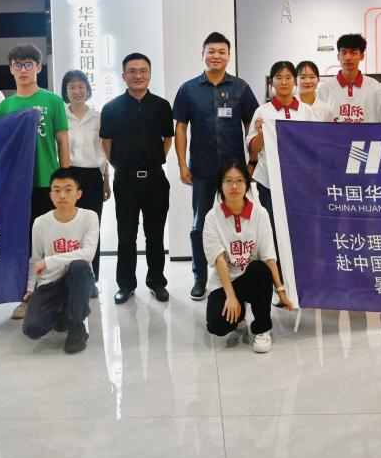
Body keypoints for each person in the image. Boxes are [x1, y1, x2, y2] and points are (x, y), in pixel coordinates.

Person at [173, 32, 259, 300]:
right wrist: (181, 164)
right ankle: (199, 277)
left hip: (234, 171)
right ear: (203, 54)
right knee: (199, 224)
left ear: (229, 56)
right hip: (201, 167)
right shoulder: (188, 89)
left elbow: (252, 124)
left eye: (222, 52)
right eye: (211, 51)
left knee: (238, 222)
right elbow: (180, 127)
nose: (216, 56)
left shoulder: (241, 88)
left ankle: (238, 273)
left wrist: (252, 161)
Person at [0, 44, 70, 320]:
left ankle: (53, 296)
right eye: (18, 64)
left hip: (47, 182)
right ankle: (26, 297)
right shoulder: (5, 106)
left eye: (28, 64)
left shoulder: (52, 101)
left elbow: (62, 139)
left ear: (39, 67)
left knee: (49, 241)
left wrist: (65, 178)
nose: (23, 69)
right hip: (18, 186)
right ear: (11, 69)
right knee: (24, 243)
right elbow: (1, 146)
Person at [100, 53, 174, 304]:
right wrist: (119, 165)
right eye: (132, 71)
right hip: (126, 180)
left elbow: (168, 139)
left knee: (155, 234)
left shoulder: (162, 106)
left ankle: (156, 282)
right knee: (126, 235)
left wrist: (154, 160)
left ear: (150, 74)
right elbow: (106, 143)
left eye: (143, 71)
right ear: (123, 76)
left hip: (155, 179)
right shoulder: (112, 108)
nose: (138, 75)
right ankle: (126, 284)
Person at [204, 160, 293, 353]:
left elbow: (269, 257)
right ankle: (240, 311)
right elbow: (219, 260)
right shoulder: (212, 218)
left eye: (239, 180)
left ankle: (262, 329)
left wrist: (281, 291)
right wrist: (230, 296)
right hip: (226, 282)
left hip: (252, 278)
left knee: (260, 269)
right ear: (220, 185)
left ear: (247, 184)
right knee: (217, 325)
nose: (234, 186)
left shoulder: (260, 214)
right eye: (228, 181)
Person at [22, 168, 99, 353]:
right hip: (50, 282)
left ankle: (77, 326)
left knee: (79, 266)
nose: (62, 195)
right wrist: (30, 288)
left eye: (68, 189)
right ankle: (63, 311)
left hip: (78, 277)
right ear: (51, 195)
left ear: (78, 194)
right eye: (56, 190)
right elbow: (36, 258)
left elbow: (88, 254)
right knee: (32, 328)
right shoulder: (40, 223)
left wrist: (49, 261)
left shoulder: (89, 217)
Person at [246, 61, 316, 241]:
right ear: (272, 82)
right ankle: (275, 260)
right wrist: (262, 133)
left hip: (299, 181)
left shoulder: (306, 111)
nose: (283, 82)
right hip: (269, 181)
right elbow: (253, 149)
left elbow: (314, 145)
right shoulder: (262, 112)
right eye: (278, 78)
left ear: (294, 81)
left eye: (288, 77)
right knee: (272, 229)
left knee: (300, 228)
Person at [61, 69, 110, 282]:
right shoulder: (60, 115)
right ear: (65, 91)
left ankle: (91, 278)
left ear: (88, 90)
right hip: (67, 176)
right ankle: (67, 277)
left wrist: (106, 180)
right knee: (68, 227)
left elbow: (103, 151)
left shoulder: (98, 117)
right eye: (71, 87)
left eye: (81, 86)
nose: (77, 91)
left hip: (92, 177)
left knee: (91, 228)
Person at [316, 33, 379, 123]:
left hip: (365, 133)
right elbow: (320, 120)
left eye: (353, 53)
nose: (348, 57)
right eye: (343, 53)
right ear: (338, 56)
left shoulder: (374, 86)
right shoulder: (325, 88)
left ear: (362, 56)